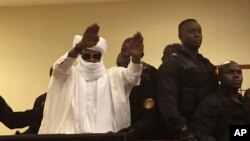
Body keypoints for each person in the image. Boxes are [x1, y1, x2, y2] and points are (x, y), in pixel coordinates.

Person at [38, 23, 144, 134]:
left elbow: (133, 76)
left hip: (105, 137)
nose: (92, 60)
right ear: (80, 56)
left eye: (96, 56)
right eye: (86, 56)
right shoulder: (71, 75)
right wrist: (78, 48)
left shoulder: (113, 76)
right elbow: (58, 69)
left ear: (101, 56)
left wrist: (136, 59)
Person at [157, 19, 218, 140]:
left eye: (199, 31)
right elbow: (167, 101)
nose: (197, 35)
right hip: (181, 131)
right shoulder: (171, 65)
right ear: (180, 36)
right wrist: (181, 129)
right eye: (191, 31)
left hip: (205, 128)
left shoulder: (207, 65)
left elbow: (216, 97)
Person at [116, 37, 162, 140]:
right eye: (123, 50)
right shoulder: (115, 75)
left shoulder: (148, 76)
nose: (126, 54)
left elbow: (149, 116)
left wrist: (126, 134)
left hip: (142, 135)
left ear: (140, 54)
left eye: (130, 50)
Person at [191, 60, 249, 141]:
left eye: (239, 72)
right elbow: (200, 133)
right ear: (219, 77)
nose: (236, 76)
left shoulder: (243, 101)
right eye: (230, 72)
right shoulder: (211, 102)